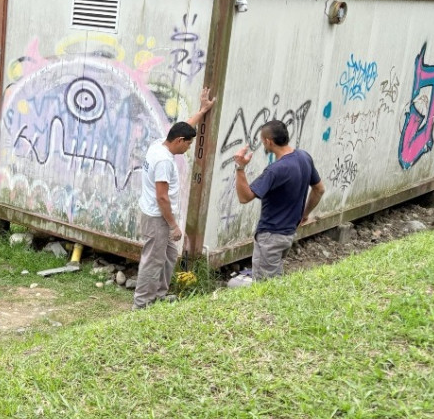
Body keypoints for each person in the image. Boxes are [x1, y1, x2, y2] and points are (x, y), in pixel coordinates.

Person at [133, 88, 216, 310]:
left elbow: (185, 126)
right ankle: (141, 305)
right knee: (153, 260)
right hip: (158, 218)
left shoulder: (161, 142)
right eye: (188, 144)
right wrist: (173, 226)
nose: (189, 147)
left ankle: (159, 295)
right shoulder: (164, 161)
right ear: (179, 141)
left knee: (169, 255)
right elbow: (162, 197)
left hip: (162, 217)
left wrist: (202, 110)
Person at [232, 119, 326, 280]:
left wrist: (240, 167)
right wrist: (305, 214)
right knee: (275, 282)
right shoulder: (304, 157)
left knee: (264, 288)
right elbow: (319, 189)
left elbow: (244, 197)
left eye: (263, 142)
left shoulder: (276, 170)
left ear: (269, 142)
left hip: (270, 237)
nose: (263, 145)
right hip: (288, 235)